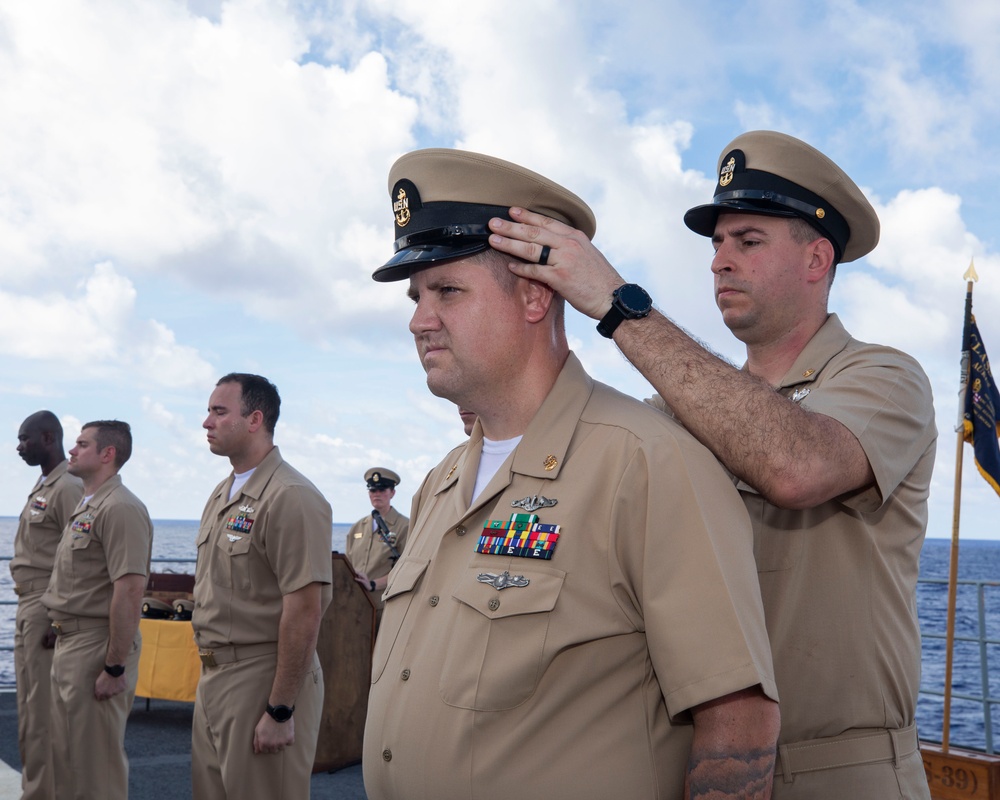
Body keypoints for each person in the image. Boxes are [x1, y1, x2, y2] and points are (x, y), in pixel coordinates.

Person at [487, 130, 936, 799]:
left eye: (747, 241)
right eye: (717, 244)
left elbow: (795, 465)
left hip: (836, 774)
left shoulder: (885, 377)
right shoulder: (679, 412)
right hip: (701, 763)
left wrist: (617, 302)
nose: (719, 261)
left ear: (817, 258)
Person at [363, 148, 780, 800]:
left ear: (534, 295)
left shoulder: (644, 463)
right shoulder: (441, 482)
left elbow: (739, 721)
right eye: (417, 297)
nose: (418, 319)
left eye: (446, 290)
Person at [192, 373, 333, 799]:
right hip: (215, 678)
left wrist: (280, 708)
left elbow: (306, 610)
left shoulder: (291, 496)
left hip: (263, 678)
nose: (206, 422)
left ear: (254, 419)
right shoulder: (223, 493)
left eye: (219, 411)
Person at [41, 420, 153, 800]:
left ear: (108, 454)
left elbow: (130, 588)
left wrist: (115, 665)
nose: (71, 450)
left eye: (82, 444)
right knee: (68, 759)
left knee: (95, 769)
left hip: (95, 646)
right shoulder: (87, 504)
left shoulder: (121, 508)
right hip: (71, 643)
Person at [11, 411, 84, 800]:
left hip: (45, 603)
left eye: (25, 439)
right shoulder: (44, 485)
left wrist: (58, 616)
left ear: (48, 437)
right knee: (28, 709)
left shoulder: (68, 487)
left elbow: (76, 558)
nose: (19, 447)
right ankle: (36, 789)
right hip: (29, 602)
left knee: (41, 713)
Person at [347, 467, 409, 610]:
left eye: (382, 490)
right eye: (373, 490)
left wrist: (374, 584)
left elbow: (406, 569)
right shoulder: (357, 528)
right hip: (355, 604)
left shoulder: (405, 526)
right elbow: (348, 565)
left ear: (392, 493)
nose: (377, 494)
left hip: (385, 605)